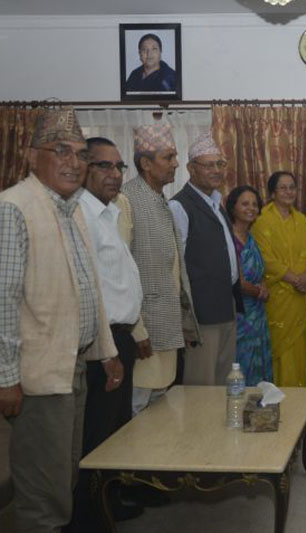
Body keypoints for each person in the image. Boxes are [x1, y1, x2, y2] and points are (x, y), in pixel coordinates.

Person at [0, 108, 119, 531]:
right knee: (41, 496)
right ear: (33, 157)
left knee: (63, 479)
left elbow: (89, 290)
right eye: (61, 151)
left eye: (81, 154)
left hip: (73, 369)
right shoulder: (14, 208)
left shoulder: (71, 211)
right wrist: (6, 377)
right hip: (37, 378)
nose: (73, 162)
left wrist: (106, 351)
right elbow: (3, 301)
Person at [72, 137, 147, 526]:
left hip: (121, 335)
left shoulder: (108, 212)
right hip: (101, 342)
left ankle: (110, 501)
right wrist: (108, 348)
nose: (114, 175)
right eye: (104, 166)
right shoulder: (80, 216)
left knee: (116, 432)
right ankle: (87, 518)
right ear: (84, 167)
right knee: (96, 434)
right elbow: (90, 290)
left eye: (119, 167)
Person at [122, 123, 199, 415]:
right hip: (144, 332)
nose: (176, 163)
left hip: (166, 325)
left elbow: (173, 270)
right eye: (169, 157)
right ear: (145, 163)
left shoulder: (159, 198)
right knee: (137, 407)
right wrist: (137, 330)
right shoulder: (127, 200)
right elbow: (121, 273)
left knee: (159, 408)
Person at [170, 132, 240, 386]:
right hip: (200, 313)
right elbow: (175, 265)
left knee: (223, 381)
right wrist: (184, 318)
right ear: (191, 169)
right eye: (208, 165)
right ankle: (199, 428)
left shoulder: (216, 203)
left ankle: (216, 427)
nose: (216, 171)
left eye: (220, 164)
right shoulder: (180, 206)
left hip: (225, 305)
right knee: (201, 383)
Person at [251, 171, 306, 387]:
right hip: (277, 299)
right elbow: (266, 259)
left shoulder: (301, 219)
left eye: (292, 187)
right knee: (279, 351)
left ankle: (299, 406)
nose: (289, 192)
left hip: (300, 298)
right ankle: (276, 404)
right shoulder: (261, 220)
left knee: (298, 349)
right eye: (283, 188)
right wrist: (295, 280)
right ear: (272, 193)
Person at [226, 185, 273, 385]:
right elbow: (234, 279)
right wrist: (259, 291)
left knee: (258, 363)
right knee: (240, 365)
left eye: (254, 204)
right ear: (233, 207)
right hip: (238, 314)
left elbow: (258, 271)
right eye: (245, 204)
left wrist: (262, 284)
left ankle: (258, 410)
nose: (251, 208)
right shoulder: (228, 238)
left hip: (257, 314)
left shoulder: (251, 238)